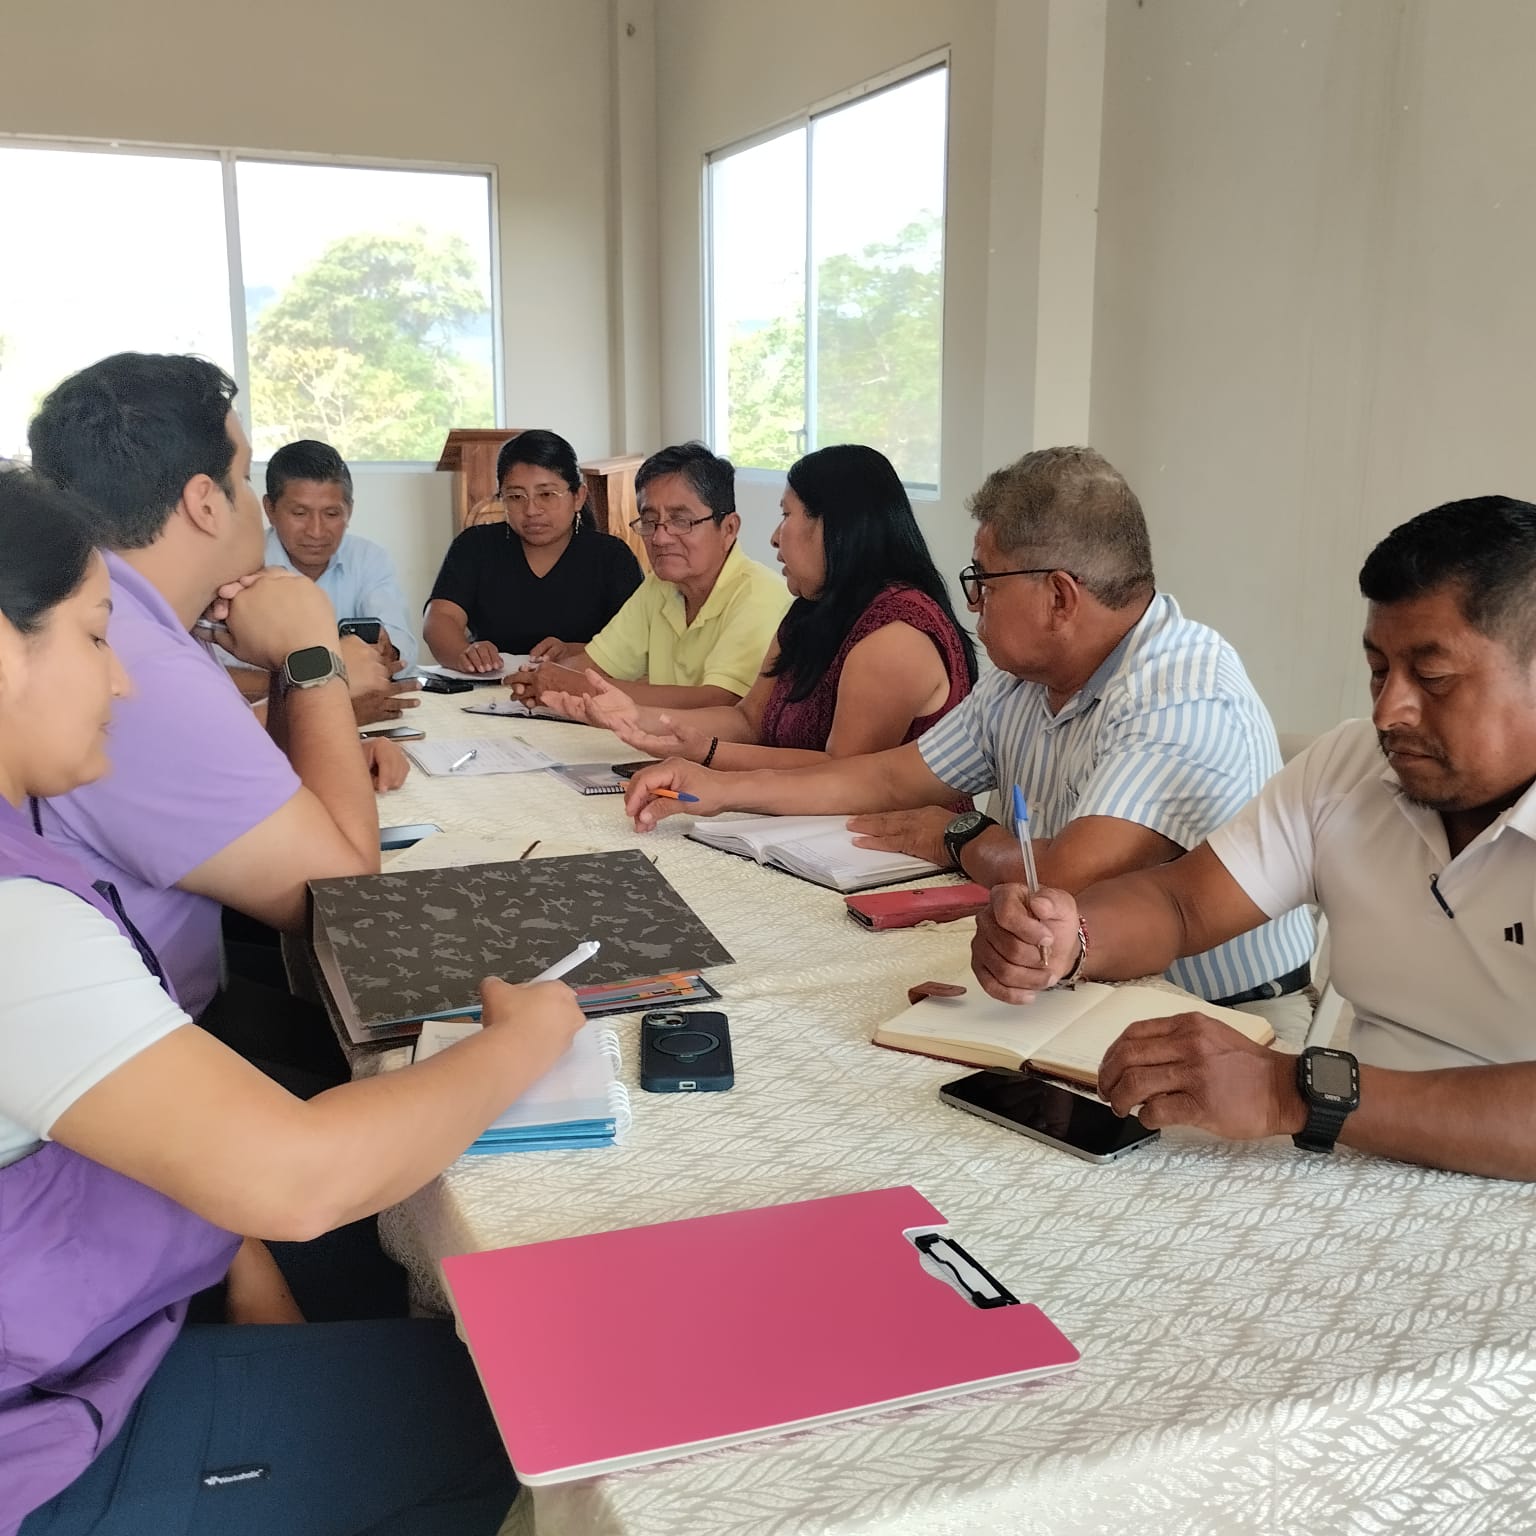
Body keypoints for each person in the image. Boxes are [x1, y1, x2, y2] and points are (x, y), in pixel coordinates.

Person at [0, 469, 583, 1535]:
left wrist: (241, 1252)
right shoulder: (16, 923)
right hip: (42, 1430)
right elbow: (300, 1177)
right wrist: (527, 1036)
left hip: (87, 1289)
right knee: (519, 1406)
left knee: (404, 1261)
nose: (120, 682)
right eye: (94, 637)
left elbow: (145, 1116)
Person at [626, 447, 1315, 1037]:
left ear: (1060, 597)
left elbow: (1066, 878)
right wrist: (720, 789)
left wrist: (958, 837)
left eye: (983, 580)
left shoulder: (1177, 695)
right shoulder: (1023, 679)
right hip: (1073, 979)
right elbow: (888, 778)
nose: (972, 603)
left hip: (1219, 1015)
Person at [970, 496, 1536, 1181]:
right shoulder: (1352, 766)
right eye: (1379, 670)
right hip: (1356, 1161)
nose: (1389, 710)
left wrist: (1288, 1091)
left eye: (1433, 677)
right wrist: (1069, 937)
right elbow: (1183, 903)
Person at [26, 353, 383, 1079]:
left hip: (150, 1009)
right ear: (204, 502)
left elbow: (276, 804)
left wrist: (285, 663)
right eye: (245, 479)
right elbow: (344, 900)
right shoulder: (132, 663)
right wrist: (315, 654)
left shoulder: (121, 619)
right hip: (140, 1051)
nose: (253, 505)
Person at [544, 444, 976, 768]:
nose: (773, 537)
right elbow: (749, 721)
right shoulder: (809, 609)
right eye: (651, 520)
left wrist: (710, 762)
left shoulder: (895, 634)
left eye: (786, 515)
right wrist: (633, 716)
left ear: (835, 528)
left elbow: (841, 776)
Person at [506, 441, 791, 710]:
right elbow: (595, 666)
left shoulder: (760, 595)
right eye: (649, 521)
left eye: (681, 521)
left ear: (729, 528)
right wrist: (537, 679)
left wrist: (579, 687)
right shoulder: (660, 586)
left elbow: (720, 702)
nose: (660, 538)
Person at [222, 439, 421, 713]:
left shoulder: (368, 557)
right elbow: (220, 672)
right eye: (300, 513)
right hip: (262, 721)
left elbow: (402, 647)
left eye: (331, 513)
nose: (316, 531)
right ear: (270, 509)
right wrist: (326, 680)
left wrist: (389, 651)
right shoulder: (239, 565)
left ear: (349, 510)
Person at [424, 429, 643, 672]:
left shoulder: (612, 557)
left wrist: (574, 651)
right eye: (516, 496)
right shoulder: (475, 546)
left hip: (580, 685)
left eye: (546, 494)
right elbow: (441, 618)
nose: (531, 510)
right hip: (492, 685)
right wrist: (463, 653)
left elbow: (634, 642)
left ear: (578, 497)